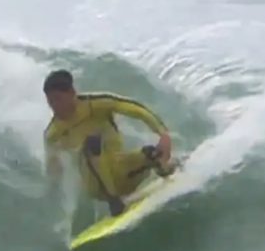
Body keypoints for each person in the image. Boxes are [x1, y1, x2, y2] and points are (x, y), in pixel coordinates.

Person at [42, 69, 176, 217]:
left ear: (72, 92)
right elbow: (53, 169)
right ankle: (114, 201)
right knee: (91, 144)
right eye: (50, 101)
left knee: (152, 153)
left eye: (58, 99)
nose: (54, 106)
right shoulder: (53, 133)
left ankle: (167, 169)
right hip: (98, 187)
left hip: (123, 173)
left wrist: (163, 134)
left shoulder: (96, 103)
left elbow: (137, 110)